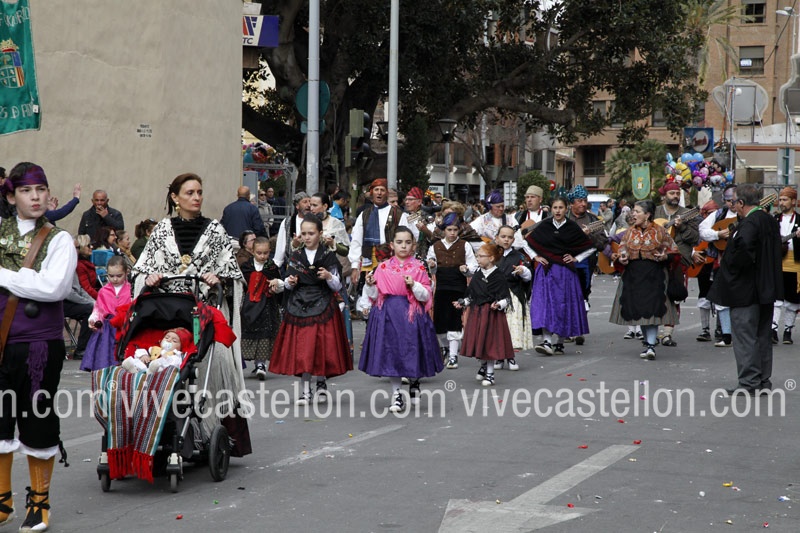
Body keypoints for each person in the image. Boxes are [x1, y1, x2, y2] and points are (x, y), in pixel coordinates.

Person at [131, 173, 249, 447]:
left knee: (213, 360)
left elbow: (233, 275)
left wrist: (219, 279)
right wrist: (148, 278)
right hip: (165, 312)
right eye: (190, 193)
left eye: (199, 192)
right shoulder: (161, 230)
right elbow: (141, 270)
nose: (197, 198)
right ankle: (157, 428)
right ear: (175, 197)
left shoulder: (216, 230)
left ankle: (209, 429)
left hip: (203, 312)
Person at [0, 162, 77, 532]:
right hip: (0, 345)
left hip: (39, 347)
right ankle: (2, 501)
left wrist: (3, 276)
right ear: (11, 197)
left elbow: (54, 288)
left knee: (37, 419)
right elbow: (37, 283)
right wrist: (27, 278)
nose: (36, 197)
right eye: (27, 190)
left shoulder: (59, 239)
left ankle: (39, 502)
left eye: (41, 189)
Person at [708, 184, 783, 395]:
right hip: (765, 288)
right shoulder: (769, 220)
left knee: (745, 336)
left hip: (746, 289)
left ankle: (749, 381)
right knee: (762, 336)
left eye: (734, 202)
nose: (733, 207)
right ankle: (762, 380)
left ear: (741, 203)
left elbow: (743, 253)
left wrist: (730, 266)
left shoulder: (749, 223)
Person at [269, 216, 352, 404]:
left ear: (320, 234)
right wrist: (289, 282)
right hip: (299, 306)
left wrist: (329, 276)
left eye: (311, 233)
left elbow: (337, 285)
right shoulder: (296, 256)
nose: (307, 237)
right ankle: (305, 391)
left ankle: (321, 381)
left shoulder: (328, 255)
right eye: (304, 233)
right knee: (303, 350)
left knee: (322, 347)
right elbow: (288, 283)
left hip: (324, 305)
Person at [360, 226, 443, 412]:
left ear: (413, 245)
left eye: (407, 242)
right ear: (392, 245)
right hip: (388, 314)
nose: (403, 246)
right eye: (399, 242)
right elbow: (375, 295)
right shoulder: (382, 267)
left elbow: (426, 295)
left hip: (412, 315)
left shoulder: (419, 267)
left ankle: (414, 380)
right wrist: (370, 285)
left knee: (412, 349)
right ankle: (396, 394)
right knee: (392, 353)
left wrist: (414, 285)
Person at [610, 200, 680, 360]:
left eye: (637, 211)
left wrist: (665, 256)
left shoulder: (660, 231)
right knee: (639, 311)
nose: (633, 214)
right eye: (633, 211)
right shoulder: (629, 232)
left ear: (647, 214)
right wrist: (622, 258)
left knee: (653, 310)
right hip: (634, 275)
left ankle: (650, 346)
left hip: (654, 274)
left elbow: (674, 251)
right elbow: (621, 249)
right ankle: (649, 344)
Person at [525, 196, 595, 356]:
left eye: (561, 208)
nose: (557, 211)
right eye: (555, 208)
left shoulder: (571, 227)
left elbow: (590, 247)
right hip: (546, 270)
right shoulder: (545, 225)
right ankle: (547, 341)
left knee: (563, 305)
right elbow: (526, 242)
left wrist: (576, 258)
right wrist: (535, 257)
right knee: (545, 305)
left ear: (566, 209)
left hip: (565, 272)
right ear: (551, 209)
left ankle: (560, 343)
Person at [455, 242, 513, 386]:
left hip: (492, 315)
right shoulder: (477, 274)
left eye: (481, 256)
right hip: (477, 313)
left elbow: (506, 298)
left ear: (491, 258)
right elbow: (472, 295)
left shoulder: (498, 276)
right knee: (478, 341)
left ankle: (490, 374)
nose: (478, 259)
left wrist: (499, 304)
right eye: (477, 256)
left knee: (490, 343)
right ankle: (483, 365)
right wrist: (463, 302)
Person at [426, 212, 477, 369]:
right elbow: (431, 269)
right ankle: (445, 348)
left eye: (455, 230)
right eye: (449, 230)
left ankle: (454, 355)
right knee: (440, 322)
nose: (452, 233)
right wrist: (432, 265)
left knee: (454, 320)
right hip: (442, 287)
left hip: (458, 287)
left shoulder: (465, 245)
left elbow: (473, 266)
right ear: (444, 230)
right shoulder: (435, 246)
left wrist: (466, 269)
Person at [349, 179, 417, 296]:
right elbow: (356, 240)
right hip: (369, 260)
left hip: (392, 260)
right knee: (370, 295)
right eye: (376, 190)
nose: (379, 193)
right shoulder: (364, 215)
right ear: (372, 193)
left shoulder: (398, 214)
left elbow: (407, 239)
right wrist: (354, 266)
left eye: (382, 190)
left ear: (387, 193)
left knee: (391, 293)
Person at [653, 181, 700, 347]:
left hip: (679, 259)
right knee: (655, 295)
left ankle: (667, 334)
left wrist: (682, 228)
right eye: (672, 193)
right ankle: (653, 332)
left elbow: (695, 238)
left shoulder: (687, 214)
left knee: (674, 295)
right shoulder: (655, 212)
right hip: (656, 258)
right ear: (664, 195)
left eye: (677, 193)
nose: (675, 196)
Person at [565, 185, 607, 346]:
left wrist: (590, 237)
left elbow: (603, 243)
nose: (583, 204)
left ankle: (578, 329)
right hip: (564, 262)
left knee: (582, 295)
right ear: (571, 203)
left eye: (585, 200)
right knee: (566, 296)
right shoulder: (564, 217)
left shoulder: (593, 220)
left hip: (585, 264)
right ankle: (568, 329)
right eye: (579, 201)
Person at [695, 187, 737, 346]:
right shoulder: (719, 215)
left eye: (734, 200)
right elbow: (702, 230)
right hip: (722, 261)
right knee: (721, 297)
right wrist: (717, 234)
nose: (732, 204)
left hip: (743, 261)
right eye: (728, 201)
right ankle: (726, 334)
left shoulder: (748, 215)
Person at [239, 237, 283, 380]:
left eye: (266, 253)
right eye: (259, 253)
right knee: (250, 332)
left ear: (270, 251)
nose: (263, 256)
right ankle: (253, 362)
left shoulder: (272, 268)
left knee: (265, 334)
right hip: (249, 305)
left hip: (267, 305)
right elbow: (241, 284)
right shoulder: (246, 267)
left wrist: (275, 286)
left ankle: (261, 364)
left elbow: (279, 285)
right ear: (252, 251)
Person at [80, 256, 132, 372]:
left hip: (124, 325)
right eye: (111, 276)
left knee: (124, 355)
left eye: (119, 276)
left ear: (126, 273)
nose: (115, 279)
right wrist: (93, 320)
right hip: (107, 328)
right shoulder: (103, 291)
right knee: (104, 356)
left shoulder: (130, 289)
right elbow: (98, 309)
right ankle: (105, 375)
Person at [495, 224, 533, 362]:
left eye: (510, 237)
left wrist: (522, 271)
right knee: (496, 327)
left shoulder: (519, 256)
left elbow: (529, 276)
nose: (506, 240)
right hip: (494, 295)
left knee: (510, 327)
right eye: (503, 236)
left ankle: (510, 357)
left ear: (513, 240)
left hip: (513, 295)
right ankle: (498, 357)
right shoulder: (491, 254)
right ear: (496, 238)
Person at [772, 186, 800, 344]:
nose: (781, 203)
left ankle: (788, 330)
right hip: (777, 262)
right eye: (780, 200)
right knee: (776, 297)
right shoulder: (774, 219)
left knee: (793, 298)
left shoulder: (799, 220)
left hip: (795, 263)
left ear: (793, 201)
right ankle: (773, 329)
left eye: (785, 200)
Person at [120, 327, 191, 374]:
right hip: (146, 366)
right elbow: (142, 350)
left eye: (174, 341)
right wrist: (143, 355)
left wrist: (166, 357)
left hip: (161, 370)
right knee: (137, 361)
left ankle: (150, 373)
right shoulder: (156, 349)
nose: (169, 340)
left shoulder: (176, 355)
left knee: (158, 367)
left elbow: (175, 364)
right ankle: (133, 370)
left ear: (180, 347)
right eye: (167, 337)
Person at [273, 191, 312, 268]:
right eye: (305, 202)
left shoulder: (315, 221)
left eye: (310, 202)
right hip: (293, 266)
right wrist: (276, 266)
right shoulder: (288, 222)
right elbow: (281, 247)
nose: (308, 205)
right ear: (297, 206)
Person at [75, 234, 100, 299]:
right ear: (82, 247)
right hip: (86, 298)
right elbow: (86, 289)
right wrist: (101, 298)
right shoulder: (80, 266)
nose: (91, 247)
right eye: (88, 245)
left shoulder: (85, 262)